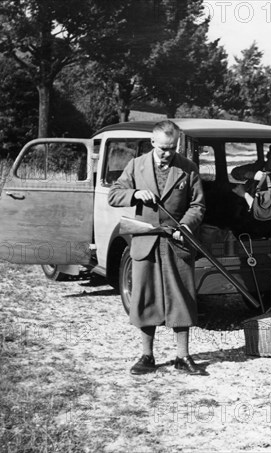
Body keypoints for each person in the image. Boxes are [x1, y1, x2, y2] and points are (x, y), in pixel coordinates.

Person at [108, 120, 207, 375]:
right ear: (152, 143)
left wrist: (185, 227)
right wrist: (135, 194)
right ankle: (147, 356)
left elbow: (198, 205)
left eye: (172, 148)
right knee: (145, 299)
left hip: (177, 242)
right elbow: (114, 194)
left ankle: (182, 357)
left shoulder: (188, 168)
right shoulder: (135, 165)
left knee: (182, 298)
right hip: (146, 242)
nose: (168, 153)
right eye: (163, 148)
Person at [230, 142, 271, 209]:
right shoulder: (258, 167)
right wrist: (251, 175)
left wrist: (244, 194)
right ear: (268, 155)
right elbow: (234, 172)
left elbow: (263, 210)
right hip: (242, 207)